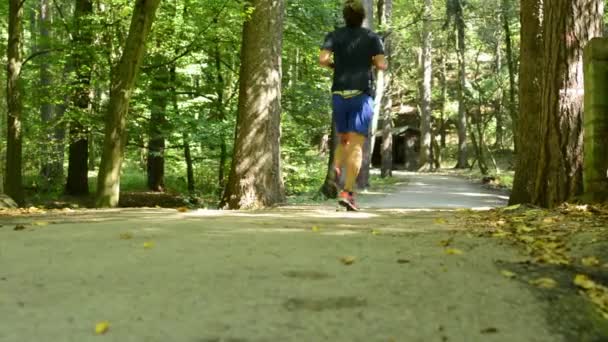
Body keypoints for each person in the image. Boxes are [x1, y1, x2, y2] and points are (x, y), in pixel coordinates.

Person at [319, 0, 387, 211]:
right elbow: (381, 65)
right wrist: (373, 62)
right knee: (356, 145)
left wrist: (336, 66)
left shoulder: (334, 35)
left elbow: (322, 59)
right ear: (362, 17)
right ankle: (348, 192)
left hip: (339, 93)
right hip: (360, 94)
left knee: (344, 139)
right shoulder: (372, 38)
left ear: (344, 16)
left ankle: (336, 167)